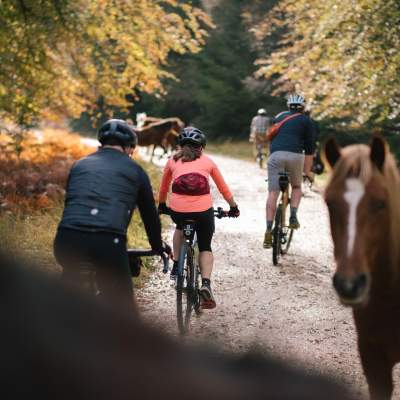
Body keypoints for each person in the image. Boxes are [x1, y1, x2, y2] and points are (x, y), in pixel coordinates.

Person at [54, 119, 167, 309]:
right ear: (129, 147)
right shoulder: (136, 171)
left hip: (66, 239)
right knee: (123, 310)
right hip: (108, 243)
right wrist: (157, 246)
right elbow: (150, 216)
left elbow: (71, 205)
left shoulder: (79, 165)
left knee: (66, 297)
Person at [158, 127, 239, 309]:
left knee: (180, 227)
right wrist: (233, 207)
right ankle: (206, 284)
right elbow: (223, 188)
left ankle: (177, 265)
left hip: (178, 210)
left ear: (180, 146)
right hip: (203, 212)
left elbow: (163, 189)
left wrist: (162, 205)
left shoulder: (172, 161)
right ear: (201, 147)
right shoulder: (208, 161)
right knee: (205, 246)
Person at [263, 95, 316, 249]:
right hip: (295, 156)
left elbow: (271, 138)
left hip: (275, 156)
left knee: (273, 193)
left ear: (288, 106)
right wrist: (307, 172)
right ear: (302, 107)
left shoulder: (278, 117)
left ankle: (268, 230)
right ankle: (293, 216)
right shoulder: (307, 121)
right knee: (297, 187)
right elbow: (310, 149)